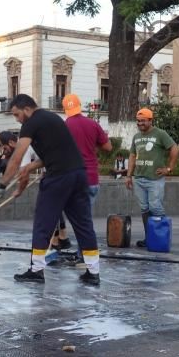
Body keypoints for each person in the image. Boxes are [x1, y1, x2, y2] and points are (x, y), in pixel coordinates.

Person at [0, 94, 100, 285]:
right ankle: (93, 272)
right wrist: (30, 168)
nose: (16, 119)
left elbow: (17, 156)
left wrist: (2, 185)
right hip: (79, 175)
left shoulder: (31, 123)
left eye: (16, 115)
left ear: (26, 109)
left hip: (58, 177)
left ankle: (36, 270)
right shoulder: (52, 118)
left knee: (43, 223)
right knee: (83, 224)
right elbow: (54, 153)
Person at [54, 94, 112, 254]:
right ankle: (84, 255)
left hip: (70, 178)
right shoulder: (92, 124)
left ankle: (77, 251)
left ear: (65, 109)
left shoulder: (63, 126)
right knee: (84, 220)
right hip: (91, 178)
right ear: (80, 106)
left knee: (66, 214)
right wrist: (92, 146)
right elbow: (108, 147)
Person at [125, 108, 179, 248]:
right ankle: (150, 238)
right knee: (144, 208)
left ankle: (161, 239)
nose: (140, 123)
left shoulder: (160, 134)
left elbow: (174, 148)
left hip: (154, 179)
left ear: (150, 120)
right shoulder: (136, 137)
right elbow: (132, 156)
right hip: (139, 178)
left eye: (143, 121)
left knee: (156, 207)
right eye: (138, 121)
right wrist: (129, 175)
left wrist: (169, 168)